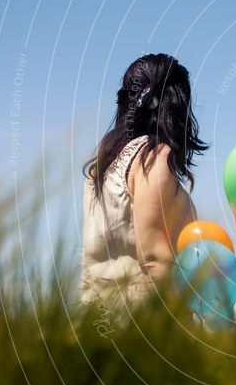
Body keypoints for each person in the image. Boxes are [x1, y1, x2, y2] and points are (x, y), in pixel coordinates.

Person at [81, 53, 209, 313]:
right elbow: (155, 263)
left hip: (95, 323)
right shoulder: (154, 159)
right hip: (141, 327)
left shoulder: (100, 168)